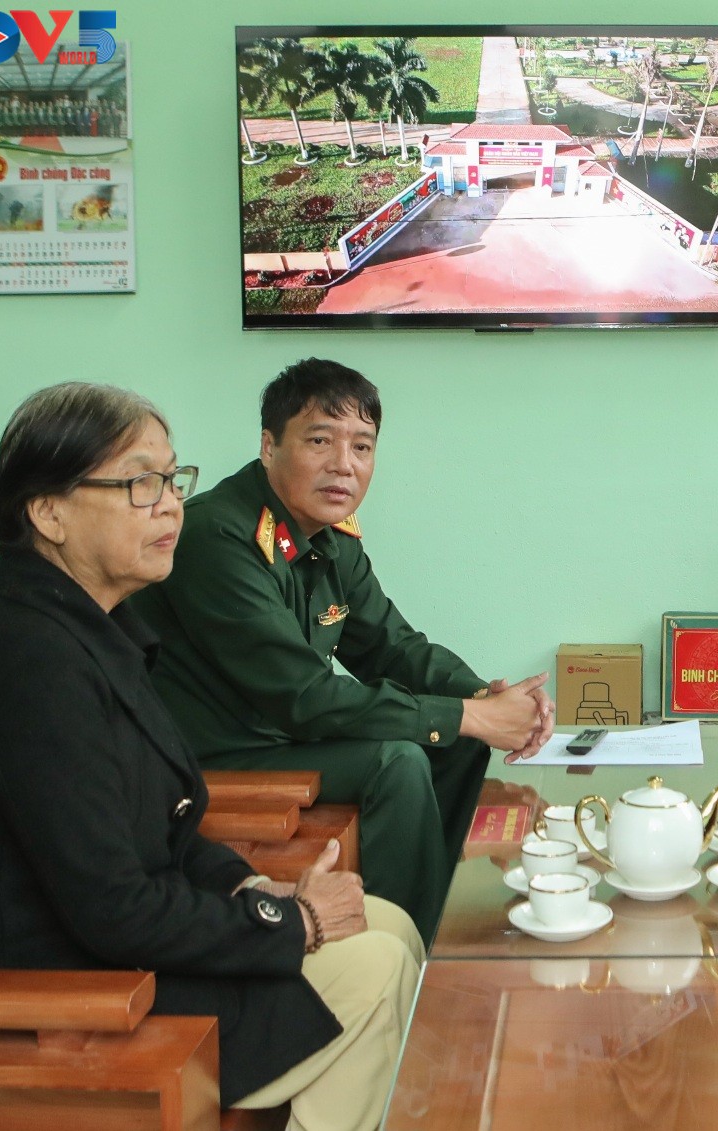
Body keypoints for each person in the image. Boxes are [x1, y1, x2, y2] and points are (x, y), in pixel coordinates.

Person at [0, 384, 424, 1131]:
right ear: (49, 513)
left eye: (173, 480)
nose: (172, 506)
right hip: (57, 999)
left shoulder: (93, 633)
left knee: (387, 926)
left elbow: (168, 833)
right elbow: (113, 909)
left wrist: (252, 885)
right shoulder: (29, 665)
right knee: (374, 967)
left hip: (114, 956)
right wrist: (290, 923)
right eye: (139, 484)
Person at [130, 359, 552, 944]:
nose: (343, 465)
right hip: (216, 752)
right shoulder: (217, 536)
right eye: (320, 441)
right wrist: (469, 715)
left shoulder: (331, 537)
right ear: (269, 446)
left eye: (362, 446)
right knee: (396, 761)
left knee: (456, 740)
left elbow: (392, 647)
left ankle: (438, 916)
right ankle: (400, 949)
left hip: (283, 736)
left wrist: (488, 698)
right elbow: (303, 696)